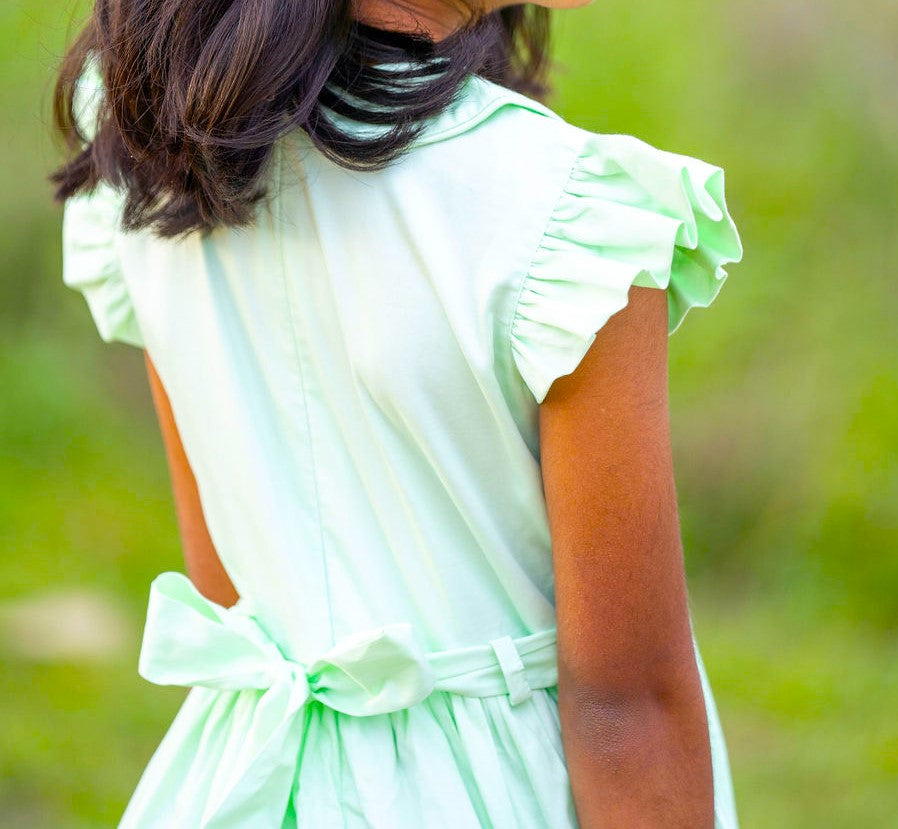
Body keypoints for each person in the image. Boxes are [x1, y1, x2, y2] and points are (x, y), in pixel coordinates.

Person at [51, 0, 744, 825]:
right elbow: (628, 711)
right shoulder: (564, 217)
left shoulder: (152, 137)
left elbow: (229, 588)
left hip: (246, 780)